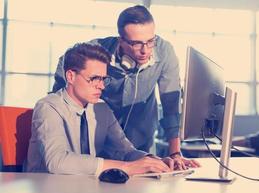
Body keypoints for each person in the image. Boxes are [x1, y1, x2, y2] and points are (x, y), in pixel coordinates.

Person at [52, 5, 199, 169]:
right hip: (96, 138)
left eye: (150, 41)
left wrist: (175, 154)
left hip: (139, 140)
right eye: (136, 44)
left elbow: (171, 105)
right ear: (121, 41)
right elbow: (65, 67)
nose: (145, 51)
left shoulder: (165, 52)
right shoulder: (97, 52)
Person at [25, 43, 174, 176]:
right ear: (70, 76)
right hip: (47, 190)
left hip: (84, 190)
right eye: (94, 78)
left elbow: (126, 151)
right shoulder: (48, 107)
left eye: (103, 79)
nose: (101, 86)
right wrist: (126, 167)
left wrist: (155, 161)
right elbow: (57, 162)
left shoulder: (101, 109)